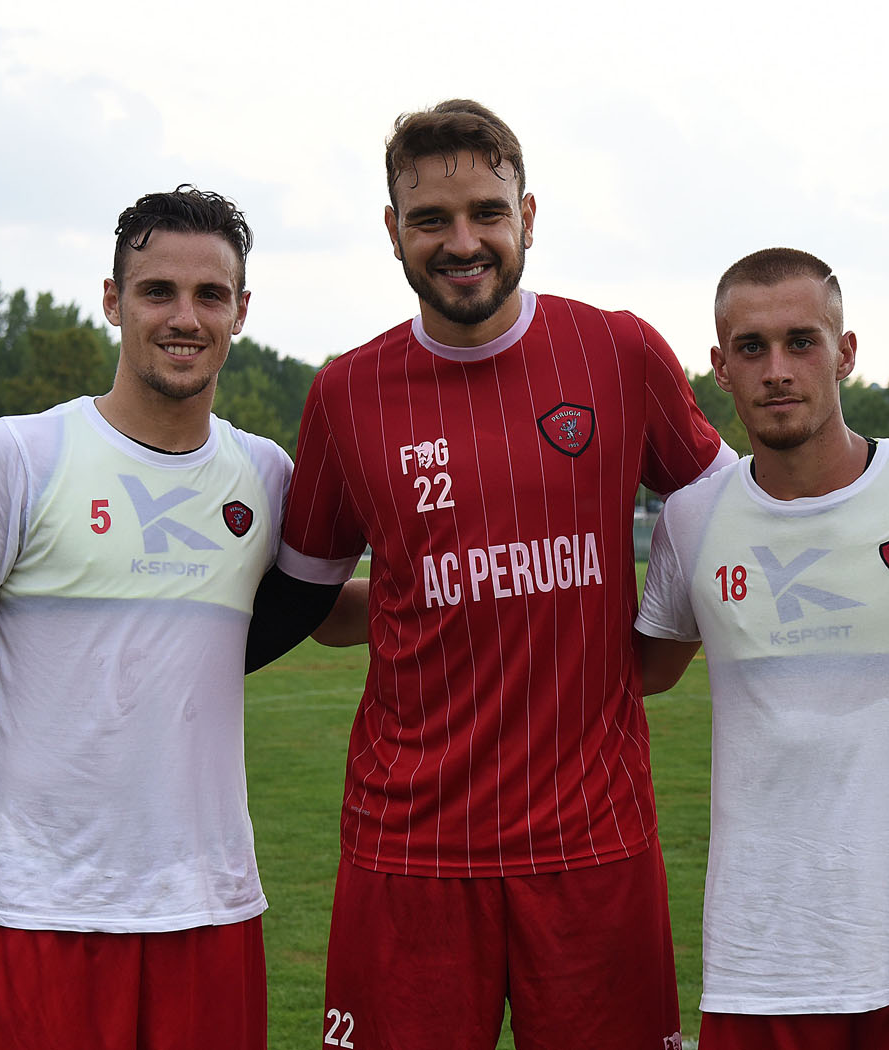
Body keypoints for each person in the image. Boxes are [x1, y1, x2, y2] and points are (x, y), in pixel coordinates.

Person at [248, 99, 734, 1050]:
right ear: (393, 231)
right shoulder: (346, 392)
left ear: (528, 217)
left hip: (591, 840)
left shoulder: (618, 350)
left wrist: (666, 639)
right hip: (410, 843)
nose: (461, 241)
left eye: (486, 213)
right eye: (431, 220)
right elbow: (304, 596)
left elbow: (727, 511)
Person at [0, 186, 292, 1049]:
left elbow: (333, 608)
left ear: (240, 312)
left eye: (210, 295)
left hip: (207, 908)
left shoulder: (265, 474)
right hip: (35, 908)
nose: (184, 316)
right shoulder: (23, 453)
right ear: (112, 300)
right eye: (156, 291)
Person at [634, 248, 889, 1050]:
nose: (777, 369)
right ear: (719, 368)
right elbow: (647, 668)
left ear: (845, 352)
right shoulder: (692, 518)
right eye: (751, 348)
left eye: (801, 342)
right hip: (761, 967)